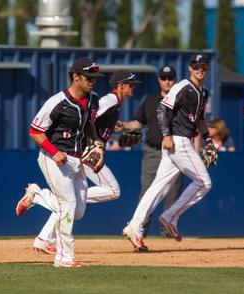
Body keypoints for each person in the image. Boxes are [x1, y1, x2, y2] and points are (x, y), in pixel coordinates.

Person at [27, 70, 141, 255]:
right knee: (111, 191)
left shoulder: (115, 104)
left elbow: (98, 125)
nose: (133, 87)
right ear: (121, 85)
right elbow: (88, 121)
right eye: (130, 83)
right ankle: (42, 198)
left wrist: (120, 135)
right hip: (85, 152)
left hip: (88, 151)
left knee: (72, 205)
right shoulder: (109, 100)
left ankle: (43, 237)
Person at [15, 57, 103, 268]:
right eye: (88, 77)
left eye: (94, 77)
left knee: (78, 211)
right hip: (54, 158)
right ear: (75, 77)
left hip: (78, 159)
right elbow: (35, 131)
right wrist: (54, 152)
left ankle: (37, 195)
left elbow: (90, 124)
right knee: (68, 204)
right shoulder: (57, 102)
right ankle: (64, 257)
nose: (93, 81)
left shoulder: (93, 100)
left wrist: (97, 142)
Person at [122, 53, 214, 251]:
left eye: (203, 66)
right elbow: (162, 110)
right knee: (204, 183)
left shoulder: (203, 93)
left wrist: (208, 141)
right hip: (179, 141)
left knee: (158, 188)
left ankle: (134, 227)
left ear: (207, 69)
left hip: (182, 141)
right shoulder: (182, 86)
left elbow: (200, 120)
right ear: (190, 68)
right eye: (196, 66)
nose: (200, 69)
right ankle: (170, 216)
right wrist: (166, 135)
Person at [121, 65, 184, 238]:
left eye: (170, 78)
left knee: (172, 193)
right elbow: (138, 123)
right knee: (147, 191)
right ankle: (140, 230)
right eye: (164, 78)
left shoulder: (182, 101)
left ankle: (167, 234)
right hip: (153, 151)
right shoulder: (150, 101)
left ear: (175, 79)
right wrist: (123, 125)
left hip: (175, 152)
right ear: (159, 80)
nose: (167, 81)